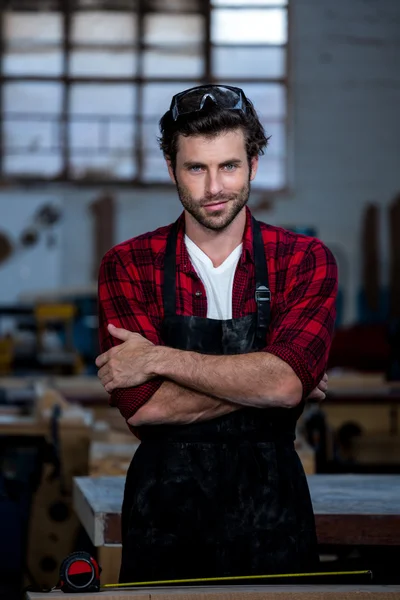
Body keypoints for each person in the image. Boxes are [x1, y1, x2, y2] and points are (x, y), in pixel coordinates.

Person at [96, 84, 338, 584]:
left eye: (228, 166)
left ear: (253, 163)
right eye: (196, 168)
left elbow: (284, 383)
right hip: (164, 513)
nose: (213, 188)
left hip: (275, 510)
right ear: (171, 169)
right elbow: (144, 405)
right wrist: (271, 379)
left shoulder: (305, 260)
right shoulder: (128, 263)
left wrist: (160, 358)